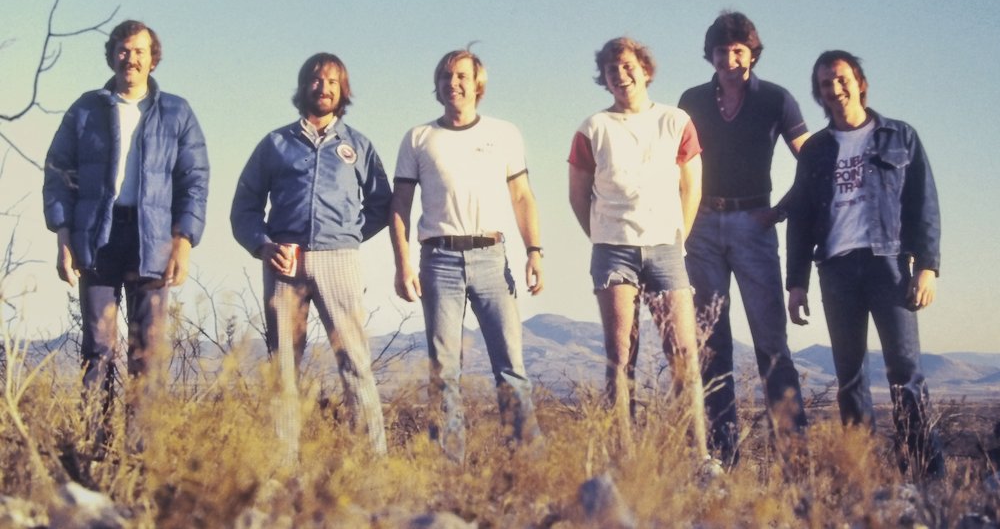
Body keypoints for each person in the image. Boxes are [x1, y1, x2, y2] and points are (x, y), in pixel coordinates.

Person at [786, 50, 944, 479]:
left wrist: (927, 267)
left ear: (860, 82)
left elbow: (924, 204)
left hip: (888, 265)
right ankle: (864, 476)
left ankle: (926, 477)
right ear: (818, 94)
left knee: (905, 371)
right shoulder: (815, 150)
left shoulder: (899, 136)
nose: (835, 89)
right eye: (825, 84)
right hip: (836, 270)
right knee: (850, 377)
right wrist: (796, 283)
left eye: (842, 79)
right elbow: (801, 217)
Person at [43, 19, 209, 415]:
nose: (130, 58)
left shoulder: (176, 112)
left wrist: (183, 241)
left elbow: (194, 181)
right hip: (97, 238)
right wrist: (63, 236)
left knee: (147, 354)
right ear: (111, 55)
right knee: (98, 349)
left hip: (152, 240)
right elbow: (58, 174)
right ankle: (93, 444)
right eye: (123, 49)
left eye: (139, 51)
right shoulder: (86, 109)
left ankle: (140, 450)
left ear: (153, 59)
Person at [231, 52, 390, 458]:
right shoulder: (275, 144)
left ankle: (374, 464)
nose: (324, 88)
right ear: (303, 87)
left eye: (333, 82)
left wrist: (346, 237)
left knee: (355, 361)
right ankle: (282, 466)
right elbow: (244, 207)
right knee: (283, 367)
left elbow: (381, 205)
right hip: (284, 261)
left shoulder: (358, 145)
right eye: (316, 80)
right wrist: (263, 245)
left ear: (343, 90)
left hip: (340, 260)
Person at [390, 49, 543, 463]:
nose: (452, 83)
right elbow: (399, 204)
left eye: (461, 76)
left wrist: (534, 251)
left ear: (478, 84)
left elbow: (522, 196)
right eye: (445, 76)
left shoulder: (504, 134)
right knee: (444, 371)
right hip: (438, 260)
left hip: (491, 258)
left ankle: (527, 464)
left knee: (511, 366)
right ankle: (447, 466)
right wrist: (403, 264)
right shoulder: (419, 138)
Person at [568, 37, 710, 462]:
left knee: (683, 354)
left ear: (645, 70)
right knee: (619, 356)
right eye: (611, 69)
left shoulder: (675, 121)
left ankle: (697, 455)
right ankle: (623, 457)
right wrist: (601, 236)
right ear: (604, 78)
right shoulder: (593, 128)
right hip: (614, 251)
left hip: (666, 249)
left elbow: (692, 187)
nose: (620, 74)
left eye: (628, 66)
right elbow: (578, 195)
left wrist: (678, 236)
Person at [678, 11, 808, 466]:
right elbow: (676, 163)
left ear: (752, 53)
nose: (729, 59)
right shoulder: (692, 100)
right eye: (721, 51)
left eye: (738, 50)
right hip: (702, 227)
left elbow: (813, 159)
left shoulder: (776, 99)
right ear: (710, 55)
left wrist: (781, 210)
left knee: (771, 342)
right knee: (712, 342)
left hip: (754, 225)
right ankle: (722, 457)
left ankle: (794, 456)